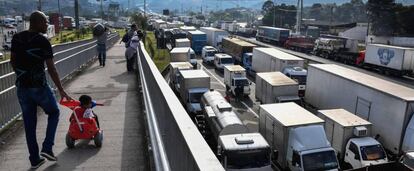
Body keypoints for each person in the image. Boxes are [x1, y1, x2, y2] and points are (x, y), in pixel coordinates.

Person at [10, 11, 72, 169]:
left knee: (29, 125)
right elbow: (52, 69)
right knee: (54, 112)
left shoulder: (17, 38)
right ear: (36, 23)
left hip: (22, 88)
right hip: (39, 87)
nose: (46, 25)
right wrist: (61, 89)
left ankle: (35, 159)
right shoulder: (42, 41)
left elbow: (12, 61)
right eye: (45, 22)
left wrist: (21, 76)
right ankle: (47, 148)